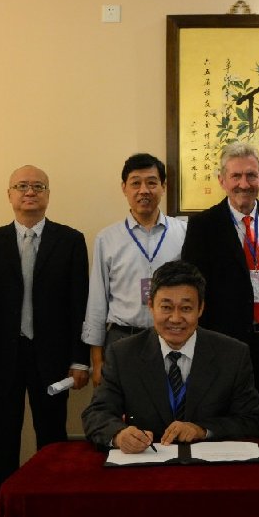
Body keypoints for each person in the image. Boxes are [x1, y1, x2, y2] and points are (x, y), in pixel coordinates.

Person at [0, 165, 89, 517]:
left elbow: (78, 305)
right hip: (2, 362)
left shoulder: (70, 241)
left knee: (52, 449)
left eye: (38, 186)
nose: (30, 193)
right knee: (1, 451)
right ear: (9, 195)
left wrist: (79, 358)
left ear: (48, 194)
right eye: (22, 186)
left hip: (53, 361)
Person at [82, 261, 259, 450]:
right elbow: (97, 414)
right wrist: (119, 435)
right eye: (166, 307)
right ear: (151, 306)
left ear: (200, 308)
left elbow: (251, 419)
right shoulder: (122, 354)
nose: (176, 319)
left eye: (186, 308)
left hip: (209, 467)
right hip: (146, 465)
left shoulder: (233, 354)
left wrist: (202, 430)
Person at [181, 141, 259, 414]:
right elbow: (194, 290)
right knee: (233, 419)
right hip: (226, 344)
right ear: (222, 180)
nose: (244, 184)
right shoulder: (203, 226)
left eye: (251, 175)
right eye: (236, 176)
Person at [82, 153, 187, 383]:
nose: (144, 190)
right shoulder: (107, 238)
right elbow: (98, 301)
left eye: (151, 182)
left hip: (172, 338)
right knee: (122, 412)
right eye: (135, 183)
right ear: (124, 188)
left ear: (163, 187)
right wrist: (97, 361)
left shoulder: (183, 234)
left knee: (169, 411)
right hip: (122, 338)